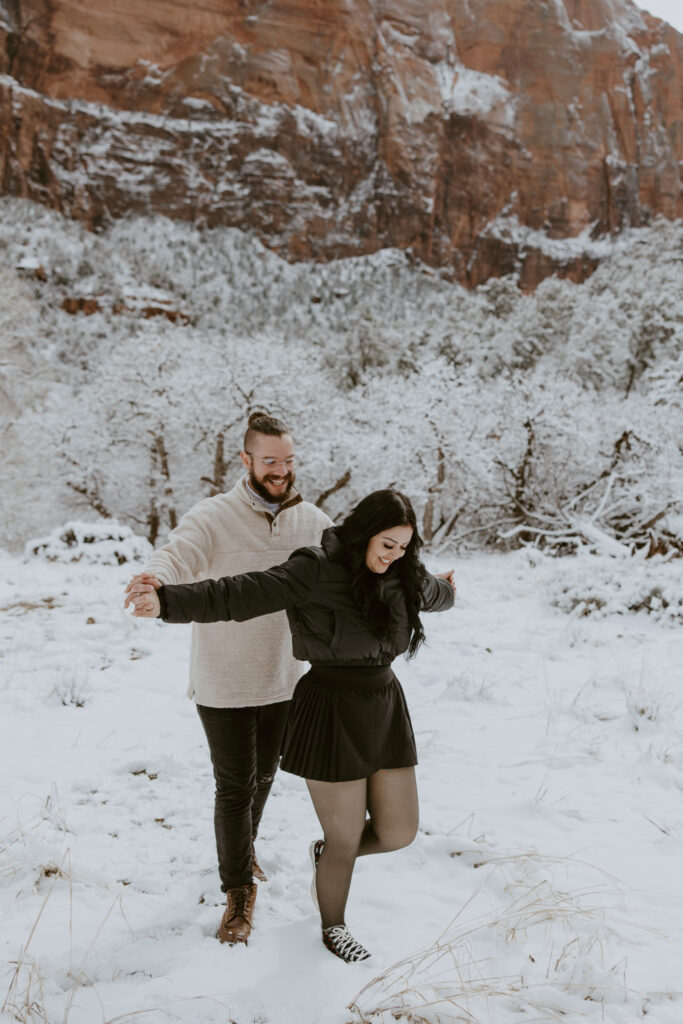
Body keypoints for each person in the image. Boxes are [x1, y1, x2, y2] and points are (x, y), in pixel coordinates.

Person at [128, 489, 456, 962]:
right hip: (330, 709)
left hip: (384, 706)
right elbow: (240, 592)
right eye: (387, 545)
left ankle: (328, 858)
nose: (395, 556)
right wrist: (166, 603)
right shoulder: (315, 569)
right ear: (364, 533)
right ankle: (334, 925)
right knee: (344, 837)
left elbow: (434, 593)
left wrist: (448, 587)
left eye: (405, 548)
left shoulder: (403, 573)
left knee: (398, 831)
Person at [123, 412, 332, 947]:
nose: (280, 471)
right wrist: (154, 579)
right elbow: (179, 552)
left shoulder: (313, 521)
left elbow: (360, 562)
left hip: (285, 676)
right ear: (246, 460)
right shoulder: (213, 516)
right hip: (224, 680)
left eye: (287, 461)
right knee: (235, 785)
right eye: (269, 461)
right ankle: (238, 892)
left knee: (266, 775)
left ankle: (246, 846)